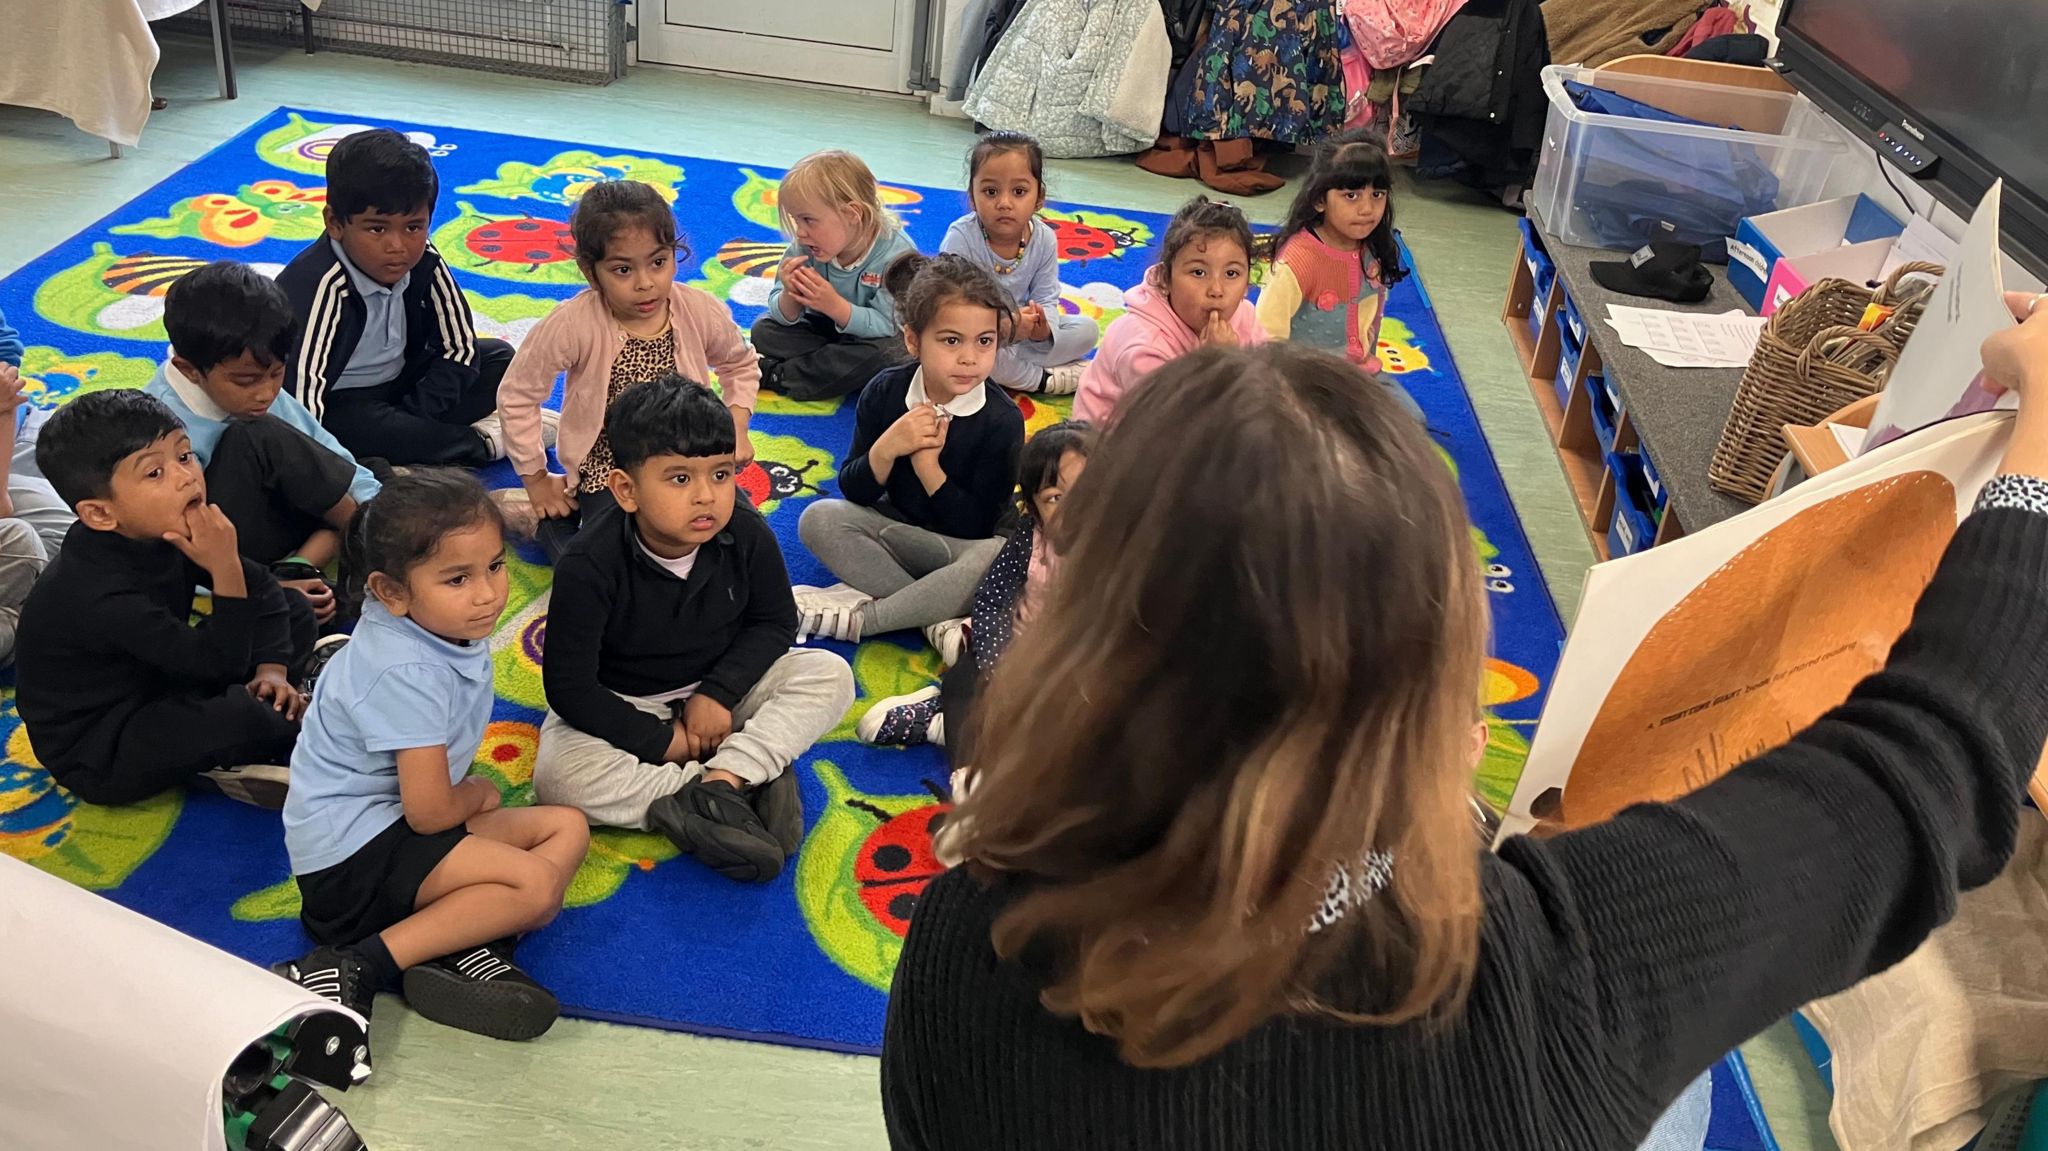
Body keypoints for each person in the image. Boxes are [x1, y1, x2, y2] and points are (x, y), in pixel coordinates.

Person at [880, 296, 2048, 1149]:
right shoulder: (1569, 965)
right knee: (1678, 1091)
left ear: (1080, 617)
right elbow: (1933, 760)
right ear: (1438, 675)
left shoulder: (959, 944)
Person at [273, 470, 589, 1062]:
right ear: (390, 593)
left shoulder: (435, 631)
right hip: (351, 866)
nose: (489, 593)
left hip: (390, 830)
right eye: (457, 579)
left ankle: (455, 942)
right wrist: (476, 794)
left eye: (495, 566)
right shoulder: (405, 671)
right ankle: (355, 962)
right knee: (536, 884)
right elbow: (429, 813)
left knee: (565, 825)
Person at [533, 376, 853, 883]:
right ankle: (735, 783)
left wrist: (718, 693)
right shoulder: (587, 564)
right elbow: (570, 687)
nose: (706, 496)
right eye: (680, 479)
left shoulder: (745, 531)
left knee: (829, 674)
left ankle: (727, 780)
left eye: (721, 474)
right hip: (629, 701)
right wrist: (664, 743)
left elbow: (775, 622)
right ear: (626, 489)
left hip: (724, 690)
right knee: (558, 779)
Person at [14, 391, 315, 809]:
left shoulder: (157, 526)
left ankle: (274, 698)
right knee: (250, 715)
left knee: (293, 608)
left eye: (185, 456)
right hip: (106, 747)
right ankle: (229, 756)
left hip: (164, 675)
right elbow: (219, 662)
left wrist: (274, 669)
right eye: (155, 473)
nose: (186, 477)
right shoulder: (98, 594)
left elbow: (261, 588)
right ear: (100, 514)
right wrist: (224, 567)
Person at [499, 180, 761, 561]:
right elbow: (518, 395)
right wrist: (537, 479)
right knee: (610, 561)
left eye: (658, 262)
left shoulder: (698, 310)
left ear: (674, 253)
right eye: (623, 269)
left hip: (689, 459)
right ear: (591, 272)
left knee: (746, 536)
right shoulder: (571, 324)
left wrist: (737, 425)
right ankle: (546, 523)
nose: (645, 283)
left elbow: (739, 363)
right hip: (608, 467)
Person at [278, 128, 548, 468]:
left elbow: (460, 348)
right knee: (348, 428)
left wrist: (412, 417)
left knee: (500, 360)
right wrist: (400, 429)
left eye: (414, 227)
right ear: (335, 223)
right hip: (343, 403)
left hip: (404, 390)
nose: (398, 246)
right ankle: (478, 444)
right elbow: (299, 401)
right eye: (377, 228)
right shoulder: (321, 285)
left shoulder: (424, 259)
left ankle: (408, 444)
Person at [794, 254, 1024, 651]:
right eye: (951, 340)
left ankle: (867, 621)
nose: (970, 357)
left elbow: (978, 525)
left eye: (984, 341)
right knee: (818, 518)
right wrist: (887, 448)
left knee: (998, 556)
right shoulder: (885, 391)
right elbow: (855, 491)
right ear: (913, 340)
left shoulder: (1002, 420)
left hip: (963, 549)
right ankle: (933, 615)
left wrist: (929, 469)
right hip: (897, 534)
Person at [144, 261, 380, 628]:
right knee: (257, 435)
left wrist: (381, 508)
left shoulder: (257, 389)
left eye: (277, 373)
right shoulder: (160, 425)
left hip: (270, 522)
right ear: (190, 370)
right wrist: (269, 589)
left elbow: (323, 449)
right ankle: (356, 543)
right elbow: (170, 545)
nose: (267, 391)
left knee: (367, 474)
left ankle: (336, 546)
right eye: (246, 381)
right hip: (216, 557)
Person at [857, 419, 1090, 761]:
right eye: (1054, 498)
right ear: (1033, 509)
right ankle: (965, 747)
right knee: (965, 684)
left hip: (1079, 666)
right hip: (1018, 646)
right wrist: (1000, 663)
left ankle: (949, 727)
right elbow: (994, 600)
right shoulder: (1030, 538)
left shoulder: (1131, 551)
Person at [1256, 133, 1423, 422]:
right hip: (1303, 380)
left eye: (1377, 195)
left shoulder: (1375, 251)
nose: (1367, 209)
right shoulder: (1299, 260)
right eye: (1351, 195)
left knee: (1410, 421)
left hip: (1358, 375)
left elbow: (1372, 322)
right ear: (1320, 199)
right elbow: (1266, 336)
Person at [1073, 197, 1265, 425]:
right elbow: (1173, 426)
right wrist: (1218, 364)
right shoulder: (1144, 346)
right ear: (1166, 279)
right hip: (1111, 442)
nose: (1217, 290)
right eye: (1198, 272)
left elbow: (1269, 380)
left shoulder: (1244, 314)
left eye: (1232, 274)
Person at [938, 131, 1099, 395]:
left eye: (1019, 191)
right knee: (974, 353)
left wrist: (1043, 329)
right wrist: (1002, 326)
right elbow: (951, 306)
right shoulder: (961, 238)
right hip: (977, 333)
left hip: (1022, 333)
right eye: (990, 191)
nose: (1004, 203)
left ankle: (1014, 366)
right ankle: (1042, 381)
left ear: (1039, 198)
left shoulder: (1044, 238)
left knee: (1088, 330)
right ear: (972, 196)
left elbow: (1047, 297)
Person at [751, 149, 919, 402]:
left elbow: (888, 324)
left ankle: (780, 376)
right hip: (823, 330)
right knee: (763, 331)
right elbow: (779, 314)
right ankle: (834, 371)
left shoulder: (898, 255)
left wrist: (834, 306)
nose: (801, 233)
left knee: (892, 355)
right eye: (797, 221)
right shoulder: (805, 246)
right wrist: (790, 295)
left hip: (873, 338)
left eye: (809, 220)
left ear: (853, 214)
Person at [0, 306, 78, 560]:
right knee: (77, 536)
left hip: (22, 422)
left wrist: (6, 391)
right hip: (9, 444)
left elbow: (6, 347)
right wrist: (4, 409)